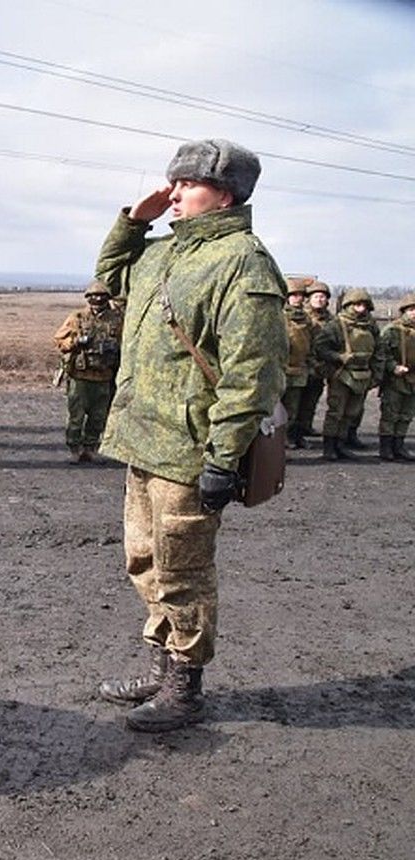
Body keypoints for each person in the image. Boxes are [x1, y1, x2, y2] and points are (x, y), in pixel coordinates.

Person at [94, 138, 287, 732]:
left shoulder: (242, 261)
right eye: (172, 183)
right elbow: (109, 279)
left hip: (187, 451)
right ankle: (161, 665)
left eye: (186, 185)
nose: (173, 193)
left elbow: (251, 372)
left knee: (183, 571)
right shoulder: (162, 253)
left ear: (223, 193)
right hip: (142, 440)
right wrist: (132, 222)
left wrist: (223, 458)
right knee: (144, 560)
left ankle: (185, 687)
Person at [53, 279, 123, 463]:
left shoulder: (117, 320)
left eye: (101, 296)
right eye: (93, 296)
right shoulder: (78, 318)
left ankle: (90, 448)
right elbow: (60, 341)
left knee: (98, 417)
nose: (97, 299)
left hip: (104, 375)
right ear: (87, 298)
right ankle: (74, 449)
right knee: (76, 415)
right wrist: (76, 342)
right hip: (80, 376)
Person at [314, 288, 382, 462]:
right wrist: (338, 357)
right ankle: (329, 448)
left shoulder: (371, 326)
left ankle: (341, 444)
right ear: (348, 305)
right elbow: (320, 348)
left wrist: (376, 374)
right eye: (357, 305)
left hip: (363, 374)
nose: (361, 309)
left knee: (351, 413)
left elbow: (379, 351)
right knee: (336, 412)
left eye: (364, 305)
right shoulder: (336, 325)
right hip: (341, 374)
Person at [280, 278, 319, 449]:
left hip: (299, 369)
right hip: (281, 369)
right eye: (293, 295)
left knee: (294, 408)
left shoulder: (307, 319)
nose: (297, 298)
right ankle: (276, 440)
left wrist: (311, 364)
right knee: (276, 409)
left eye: (300, 295)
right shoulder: (279, 316)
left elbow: (310, 343)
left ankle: (291, 436)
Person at [376, 295, 415, 462]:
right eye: (411, 309)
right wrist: (393, 367)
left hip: (413, 379)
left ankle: (399, 445)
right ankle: (386, 448)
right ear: (404, 311)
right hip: (395, 379)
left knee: (406, 414)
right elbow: (382, 353)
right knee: (390, 414)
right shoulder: (392, 330)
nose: (414, 313)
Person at [295, 280, 333, 441]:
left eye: (323, 297)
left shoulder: (331, 320)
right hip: (303, 363)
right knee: (296, 400)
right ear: (309, 299)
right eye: (316, 296)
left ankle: (306, 426)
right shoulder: (302, 317)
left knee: (312, 400)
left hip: (321, 365)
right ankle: (294, 433)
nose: (319, 299)